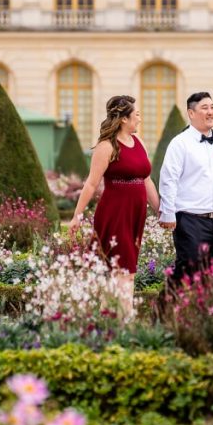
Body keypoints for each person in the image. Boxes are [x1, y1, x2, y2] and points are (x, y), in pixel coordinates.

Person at [68, 95, 159, 320]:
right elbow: (91, 183)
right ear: (124, 119)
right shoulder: (106, 147)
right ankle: (125, 320)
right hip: (115, 213)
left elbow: (146, 180)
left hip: (136, 215)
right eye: (136, 114)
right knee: (123, 269)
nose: (139, 118)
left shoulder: (140, 143)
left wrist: (161, 211)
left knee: (125, 268)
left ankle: (108, 317)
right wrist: (76, 216)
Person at [158, 91, 213, 287]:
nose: (211, 112)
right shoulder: (180, 143)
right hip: (190, 220)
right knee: (187, 271)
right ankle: (162, 313)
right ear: (191, 113)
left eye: (212, 107)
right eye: (205, 108)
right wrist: (168, 213)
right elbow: (169, 179)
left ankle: (209, 316)